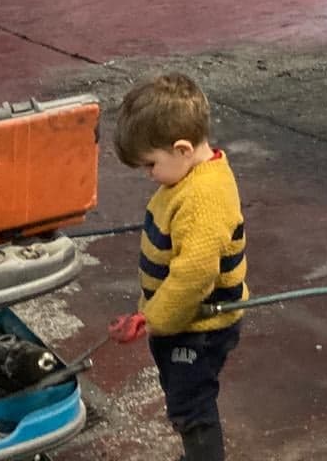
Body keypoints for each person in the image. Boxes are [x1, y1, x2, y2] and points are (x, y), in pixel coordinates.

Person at [109, 74, 248, 461]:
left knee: (192, 405)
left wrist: (155, 319)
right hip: (179, 321)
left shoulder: (204, 198)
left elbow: (192, 277)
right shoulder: (187, 179)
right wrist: (147, 314)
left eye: (150, 164)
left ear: (183, 148)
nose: (148, 174)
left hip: (198, 327)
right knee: (184, 394)